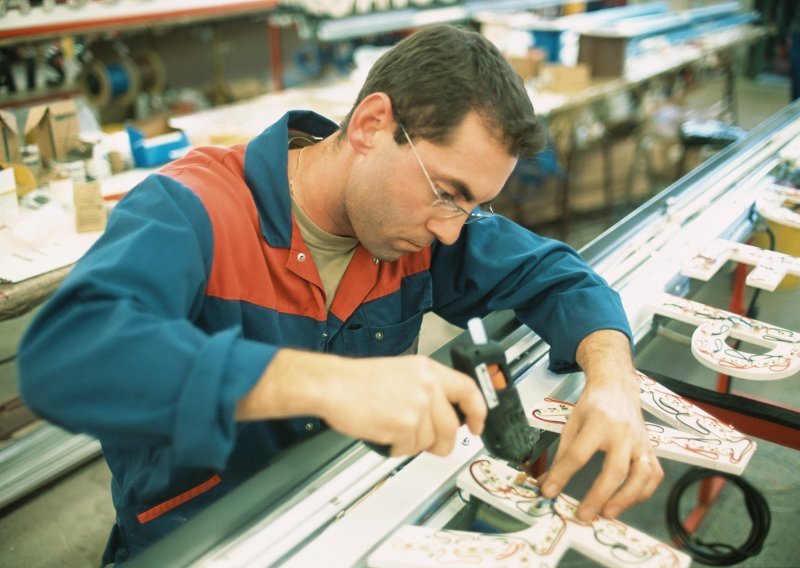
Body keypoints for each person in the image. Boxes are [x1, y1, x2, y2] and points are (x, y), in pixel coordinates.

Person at [18, 25, 662, 564]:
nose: (451, 227)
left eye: (473, 204)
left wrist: (613, 379)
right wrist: (325, 384)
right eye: (447, 192)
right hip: (197, 546)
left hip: (353, 521)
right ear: (372, 125)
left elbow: (560, 275)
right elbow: (66, 356)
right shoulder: (193, 211)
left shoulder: (423, 231)